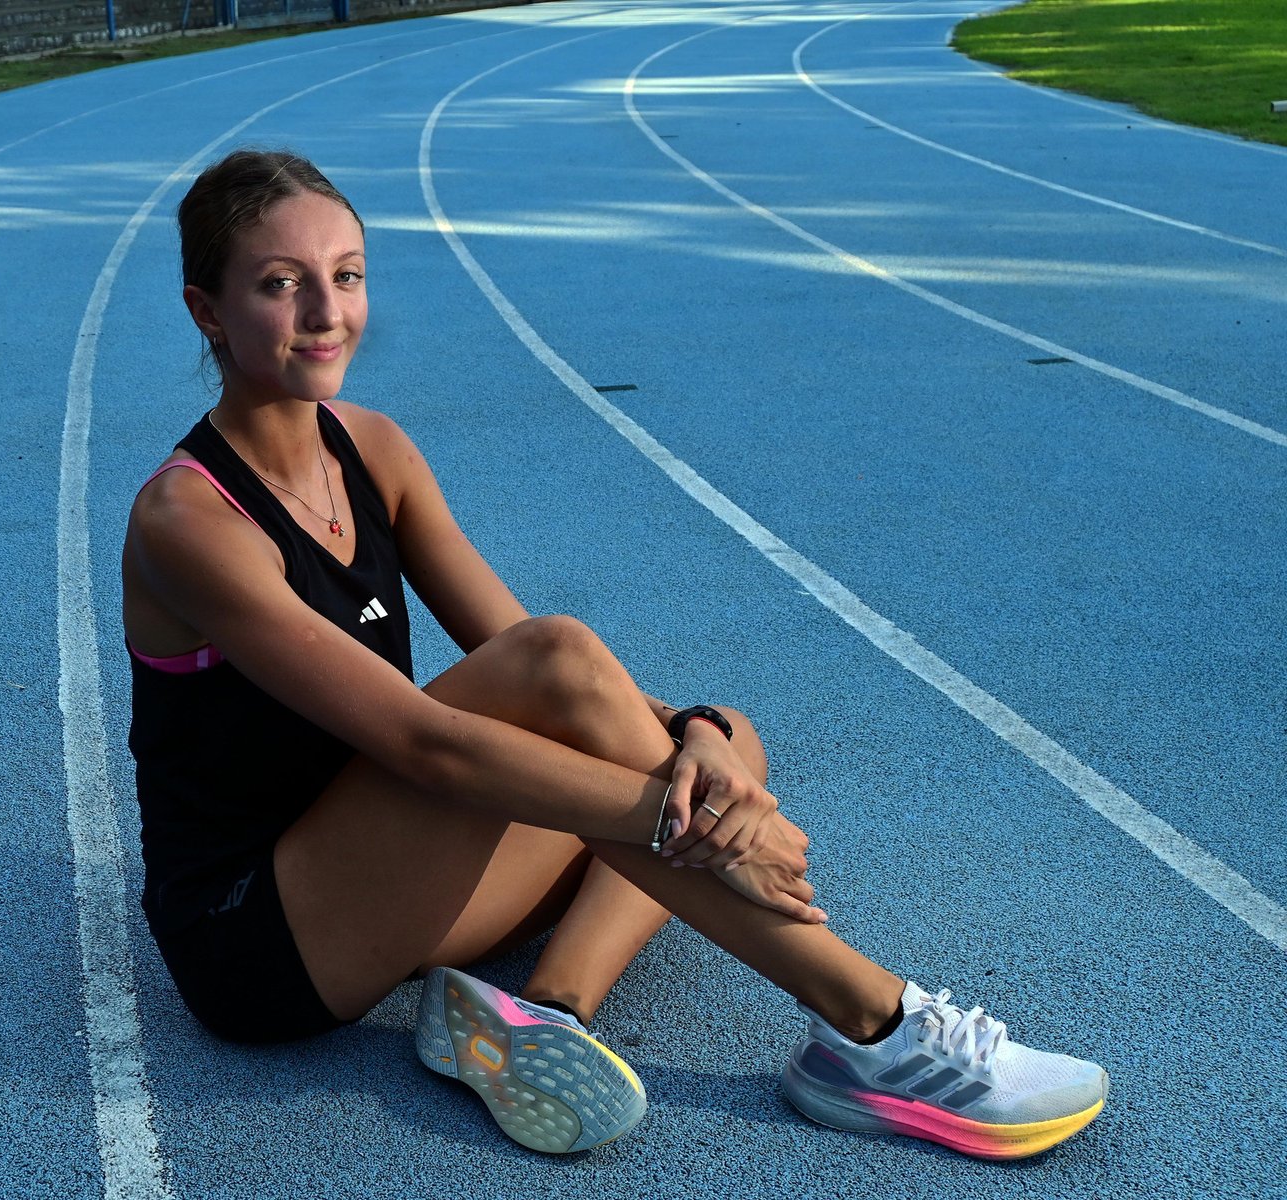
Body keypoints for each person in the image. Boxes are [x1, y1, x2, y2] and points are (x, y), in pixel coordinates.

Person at [120, 148, 1108, 1160]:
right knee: (623, 722)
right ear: (208, 310)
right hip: (261, 936)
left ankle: (549, 1011)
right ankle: (874, 1025)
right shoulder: (188, 520)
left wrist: (695, 747)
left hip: (400, 871)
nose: (327, 311)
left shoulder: (370, 448)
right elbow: (437, 744)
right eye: (281, 284)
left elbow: (527, 669)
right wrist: (699, 824)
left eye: (347, 274)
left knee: (725, 745)